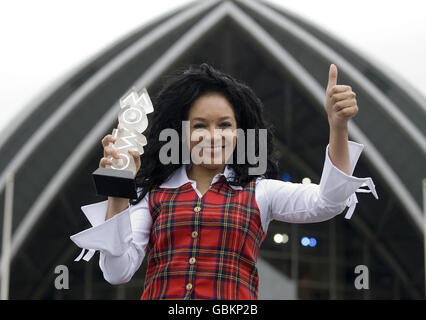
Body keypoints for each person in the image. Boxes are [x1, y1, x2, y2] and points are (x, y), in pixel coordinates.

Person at [70, 62, 378, 300]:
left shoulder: (261, 192)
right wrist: (119, 188)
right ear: (182, 133)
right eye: (200, 125)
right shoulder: (154, 195)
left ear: (239, 134)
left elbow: (328, 202)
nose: (213, 135)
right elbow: (117, 272)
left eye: (225, 125)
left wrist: (338, 127)